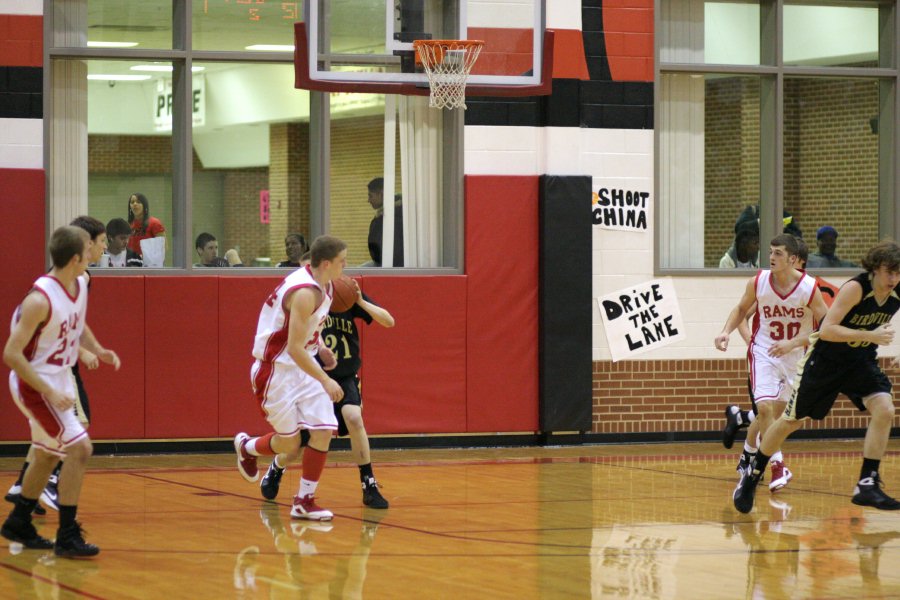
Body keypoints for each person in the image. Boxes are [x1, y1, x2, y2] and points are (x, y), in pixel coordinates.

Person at [733, 241, 900, 514]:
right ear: (874, 270)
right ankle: (753, 475)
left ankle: (867, 483)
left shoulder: (896, 289)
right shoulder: (856, 288)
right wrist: (870, 335)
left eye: (897, 273)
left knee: (884, 409)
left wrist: (870, 342)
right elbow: (826, 331)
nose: (893, 278)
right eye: (888, 272)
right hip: (826, 361)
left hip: (860, 360)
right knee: (790, 421)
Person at [1, 226, 120, 557]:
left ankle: (19, 521)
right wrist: (49, 392)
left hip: (58, 380)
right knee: (80, 449)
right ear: (75, 258)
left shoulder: (80, 283)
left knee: (47, 453)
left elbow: (77, 323)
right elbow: (11, 354)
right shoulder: (39, 299)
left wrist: (98, 348)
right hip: (34, 384)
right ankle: (67, 534)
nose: (97, 253)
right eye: (90, 249)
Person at [233, 235, 348, 521]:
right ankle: (247, 447)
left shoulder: (326, 284)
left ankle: (304, 500)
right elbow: (294, 349)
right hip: (276, 370)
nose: (346, 266)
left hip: (303, 364)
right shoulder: (305, 293)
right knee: (291, 445)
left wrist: (320, 347)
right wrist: (325, 379)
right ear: (325, 263)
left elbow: (307, 332)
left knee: (323, 430)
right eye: (342, 261)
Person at [260, 277, 395, 509]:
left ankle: (368, 483)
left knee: (353, 417)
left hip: (345, 376)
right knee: (298, 442)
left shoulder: (346, 295)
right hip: (313, 379)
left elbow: (389, 321)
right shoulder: (310, 298)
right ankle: (277, 466)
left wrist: (359, 300)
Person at [715, 234, 828, 493]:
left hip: (794, 356)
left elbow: (825, 325)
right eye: (771, 252)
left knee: (780, 416)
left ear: (793, 259)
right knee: (764, 409)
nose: (772, 257)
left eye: (778, 253)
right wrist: (726, 332)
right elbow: (742, 309)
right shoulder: (760, 281)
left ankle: (744, 433)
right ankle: (777, 463)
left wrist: (795, 343)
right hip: (764, 351)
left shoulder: (809, 287)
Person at [365, 178, 404, 267]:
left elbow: (395, 251)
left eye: (371, 196)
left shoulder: (392, 217)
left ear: (381, 194)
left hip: (390, 267)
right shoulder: (392, 214)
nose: (368, 200)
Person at [127, 192, 165, 257]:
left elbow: (162, 247)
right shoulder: (127, 225)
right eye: (132, 202)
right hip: (131, 264)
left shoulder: (155, 223)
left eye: (138, 202)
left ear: (144, 205)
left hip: (149, 264)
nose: (135, 204)